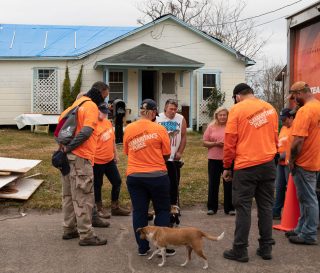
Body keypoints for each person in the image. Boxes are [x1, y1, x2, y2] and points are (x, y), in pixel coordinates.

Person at [222, 83, 278, 262]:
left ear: (237, 96)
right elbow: (276, 136)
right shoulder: (270, 108)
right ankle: (266, 248)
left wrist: (227, 166)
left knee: (244, 208)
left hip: (246, 166)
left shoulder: (237, 110)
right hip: (268, 163)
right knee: (266, 207)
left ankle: (240, 249)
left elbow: (230, 141)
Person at [59, 82, 109, 246]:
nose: (104, 101)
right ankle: (86, 235)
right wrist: (71, 147)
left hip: (66, 159)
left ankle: (69, 229)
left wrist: (64, 149)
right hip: (81, 157)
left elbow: (59, 132)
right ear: (99, 94)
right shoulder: (90, 106)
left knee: (68, 196)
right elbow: (87, 131)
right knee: (84, 196)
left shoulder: (70, 108)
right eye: (104, 96)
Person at [124, 99, 175, 257]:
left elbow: (127, 151)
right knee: (162, 210)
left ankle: (142, 247)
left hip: (135, 175)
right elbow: (166, 154)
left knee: (139, 211)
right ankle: (161, 248)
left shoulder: (129, 128)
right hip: (157, 176)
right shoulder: (159, 129)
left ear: (141, 111)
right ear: (153, 112)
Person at [285, 81, 320, 245]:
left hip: (304, 161)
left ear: (300, 93)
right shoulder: (318, 107)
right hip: (314, 160)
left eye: (294, 96)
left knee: (309, 199)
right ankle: (301, 228)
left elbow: (298, 140)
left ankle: (309, 233)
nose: (294, 100)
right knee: (305, 198)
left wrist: (291, 160)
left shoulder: (305, 111)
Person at [93, 103, 130, 219]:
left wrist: (116, 154)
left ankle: (115, 207)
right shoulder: (92, 124)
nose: (104, 114)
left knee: (117, 181)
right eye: (102, 112)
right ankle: (98, 208)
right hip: (97, 160)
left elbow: (112, 140)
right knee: (97, 185)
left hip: (109, 160)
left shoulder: (108, 122)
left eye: (106, 113)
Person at [156, 99, 187, 215]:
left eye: (175, 109)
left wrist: (180, 152)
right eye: (171, 109)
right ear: (165, 108)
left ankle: (173, 206)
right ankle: (160, 205)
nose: (173, 111)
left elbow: (183, 136)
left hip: (173, 157)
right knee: (160, 182)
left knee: (174, 183)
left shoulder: (181, 118)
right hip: (160, 157)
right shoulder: (158, 118)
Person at [203, 107, 234, 216]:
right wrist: (215, 144)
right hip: (214, 160)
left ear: (227, 116)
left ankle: (230, 208)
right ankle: (212, 207)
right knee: (213, 183)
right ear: (216, 116)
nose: (222, 117)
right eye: (220, 115)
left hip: (228, 159)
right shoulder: (211, 127)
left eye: (224, 115)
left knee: (229, 183)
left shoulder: (231, 127)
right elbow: (204, 142)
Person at [273, 108, 295, 220]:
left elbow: (294, 147)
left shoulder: (295, 128)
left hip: (289, 163)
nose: (283, 122)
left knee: (291, 189)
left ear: (291, 117)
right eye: (281, 120)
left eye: (284, 119)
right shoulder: (283, 128)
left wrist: (283, 155)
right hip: (280, 163)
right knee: (279, 187)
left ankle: (292, 214)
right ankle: (276, 212)